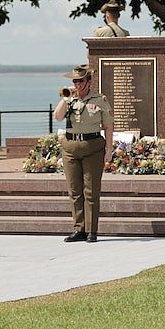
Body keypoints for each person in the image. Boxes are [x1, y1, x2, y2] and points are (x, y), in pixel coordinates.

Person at [54, 64, 114, 243]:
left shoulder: (99, 99)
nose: (77, 84)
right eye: (75, 81)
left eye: (80, 80)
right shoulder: (69, 99)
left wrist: (109, 149)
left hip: (92, 146)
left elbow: (108, 125)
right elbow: (57, 117)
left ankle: (91, 230)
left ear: (88, 81)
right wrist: (66, 99)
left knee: (91, 190)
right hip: (71, 147)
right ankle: (79, 228)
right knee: (74, 190)